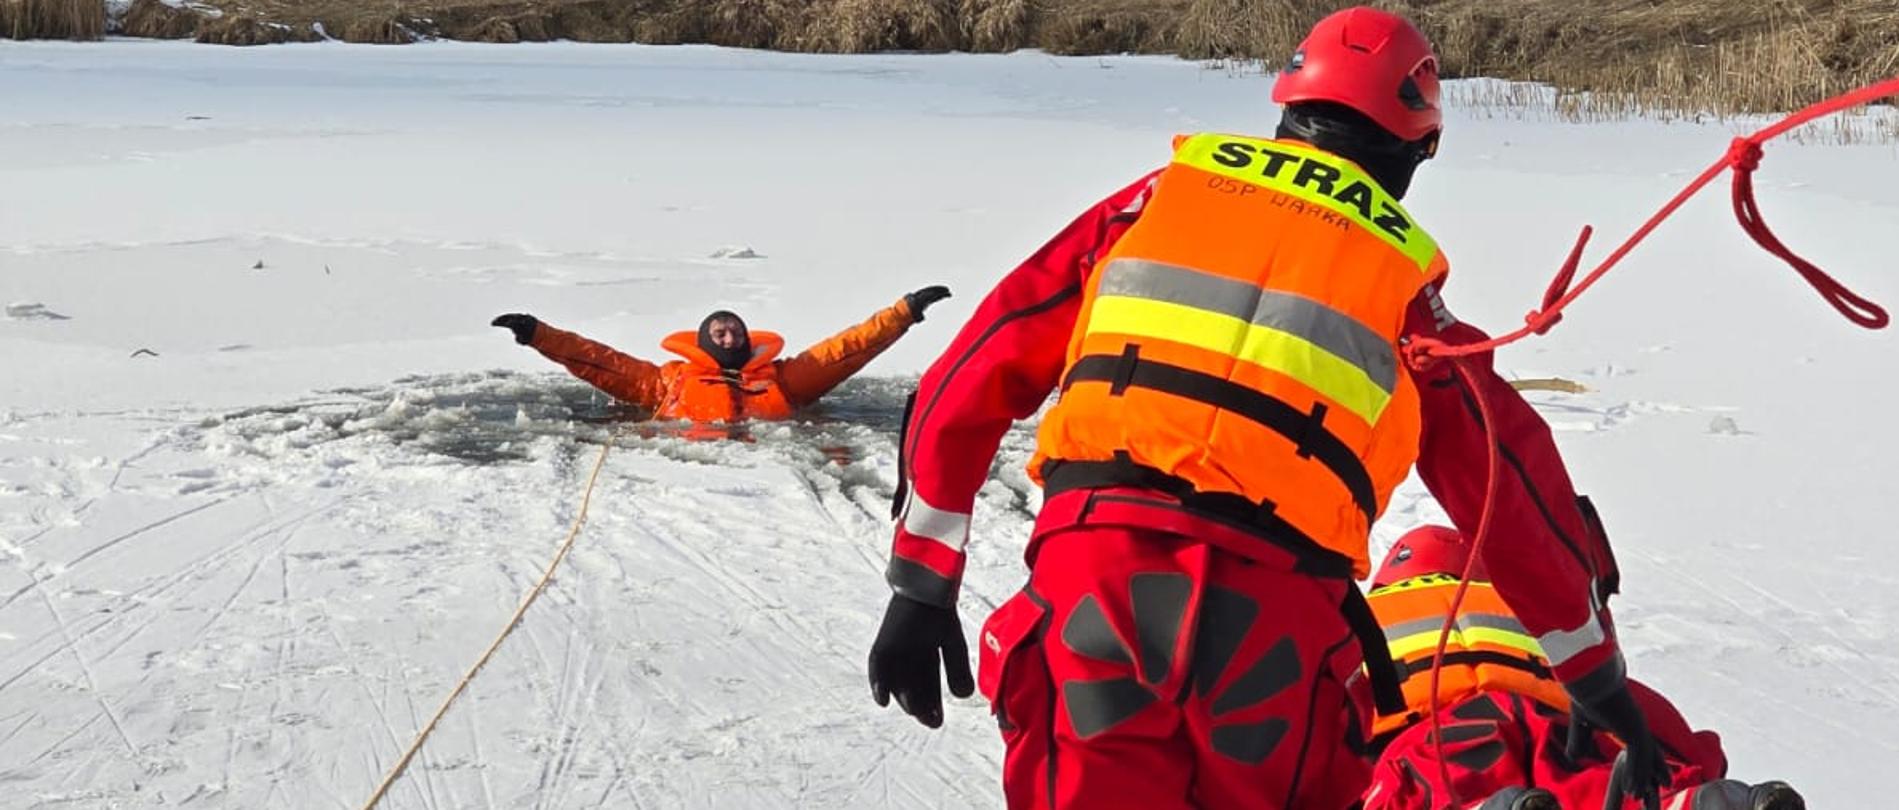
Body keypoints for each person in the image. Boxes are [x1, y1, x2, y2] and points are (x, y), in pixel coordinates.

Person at [865, 7, 1673, 809]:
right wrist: (1590, 672)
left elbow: (975, 366)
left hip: (1098, 576)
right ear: (1420, 146)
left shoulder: (1153, 203)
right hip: (1275, 621)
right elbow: (1507, 483)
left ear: (1288, 106)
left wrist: (922, 581)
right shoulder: (1404, 288)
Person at [1363, 525, 1805, 810]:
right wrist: (1698, 762)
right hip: (1561, 724)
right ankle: (1697, 801)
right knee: (1595, 781)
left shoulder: (1366, 618)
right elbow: (1647, 714)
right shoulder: (1527, 606)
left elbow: (1329, 707)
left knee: (1430, 786)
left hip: (1438, 733)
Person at [490, 286, 950, 423]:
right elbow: (598, 360)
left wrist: (904, 312)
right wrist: (538, 334)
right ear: (705, 341)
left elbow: (847, 350)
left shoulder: (783, 378)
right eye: (720, 333)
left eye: (735, 332)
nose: (729, 339)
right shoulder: (668, 380)